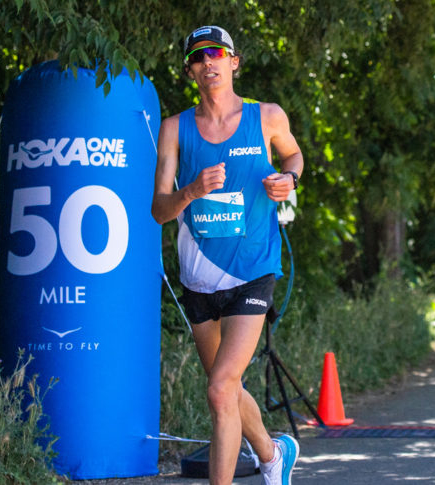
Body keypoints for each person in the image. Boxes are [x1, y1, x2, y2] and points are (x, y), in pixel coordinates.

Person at [151, 26, 303, 485]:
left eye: (217, 53)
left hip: (253, 270)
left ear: (234, 61)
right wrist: (191, 191)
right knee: (228, 390)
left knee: (219, 389)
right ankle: (273, 454)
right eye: (199, 57)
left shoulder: (267, 116)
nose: (208, 62)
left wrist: (290, 180)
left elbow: (294, 157)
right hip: (200, 278)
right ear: (190, 71)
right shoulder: (174, 129)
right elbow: (159, 211)